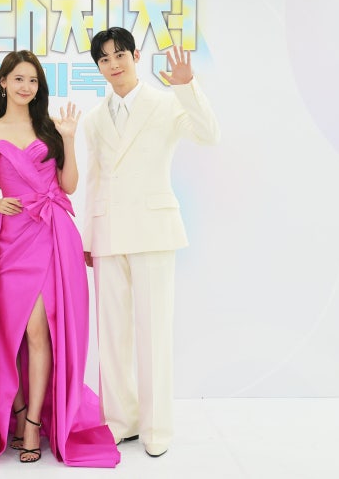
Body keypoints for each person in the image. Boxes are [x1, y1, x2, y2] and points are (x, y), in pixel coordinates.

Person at [0, 50, 120, 468]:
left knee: (40, 331)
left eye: (33, 80)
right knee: (8, 332)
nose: (26, 86)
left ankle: (34, 422)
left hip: (52, 235)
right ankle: (17, 412)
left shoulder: (51, 128)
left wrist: (68, 138)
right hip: (9, 237)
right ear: (3, 82)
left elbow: (68, 186)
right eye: (18, 78)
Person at [82, 27, 220, 458]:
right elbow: (94, 178)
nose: (113, 64)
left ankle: (156, 427)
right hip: (108, 233)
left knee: (154, 331)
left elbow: (208, 134)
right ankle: (119, 420)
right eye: (104, 59)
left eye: (119, 55)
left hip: (153, 230)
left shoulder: (165, 103)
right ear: (98, 66)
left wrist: (187, 86)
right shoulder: (94, 117)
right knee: (112, 335)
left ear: (135, 56)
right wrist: (88, 235)